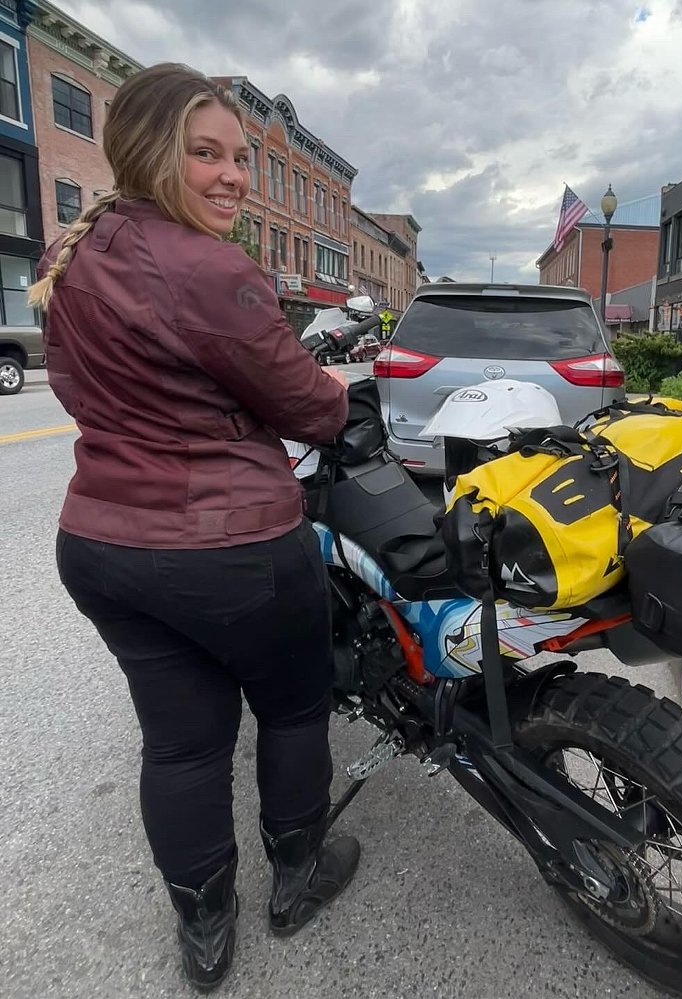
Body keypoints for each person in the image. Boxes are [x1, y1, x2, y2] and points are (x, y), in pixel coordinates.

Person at [29, 63, 361, 991]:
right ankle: (297, 878)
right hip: (231, 549)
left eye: (240, 157)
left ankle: (205, 931)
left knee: (181, 739)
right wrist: (328, 396)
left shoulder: (74, 252)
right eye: (204, 153)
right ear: (150, 153)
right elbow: (309, 406)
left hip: (102, 547)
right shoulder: (211, 266)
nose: (232, 175)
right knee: (294, 709)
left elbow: (83, 390)